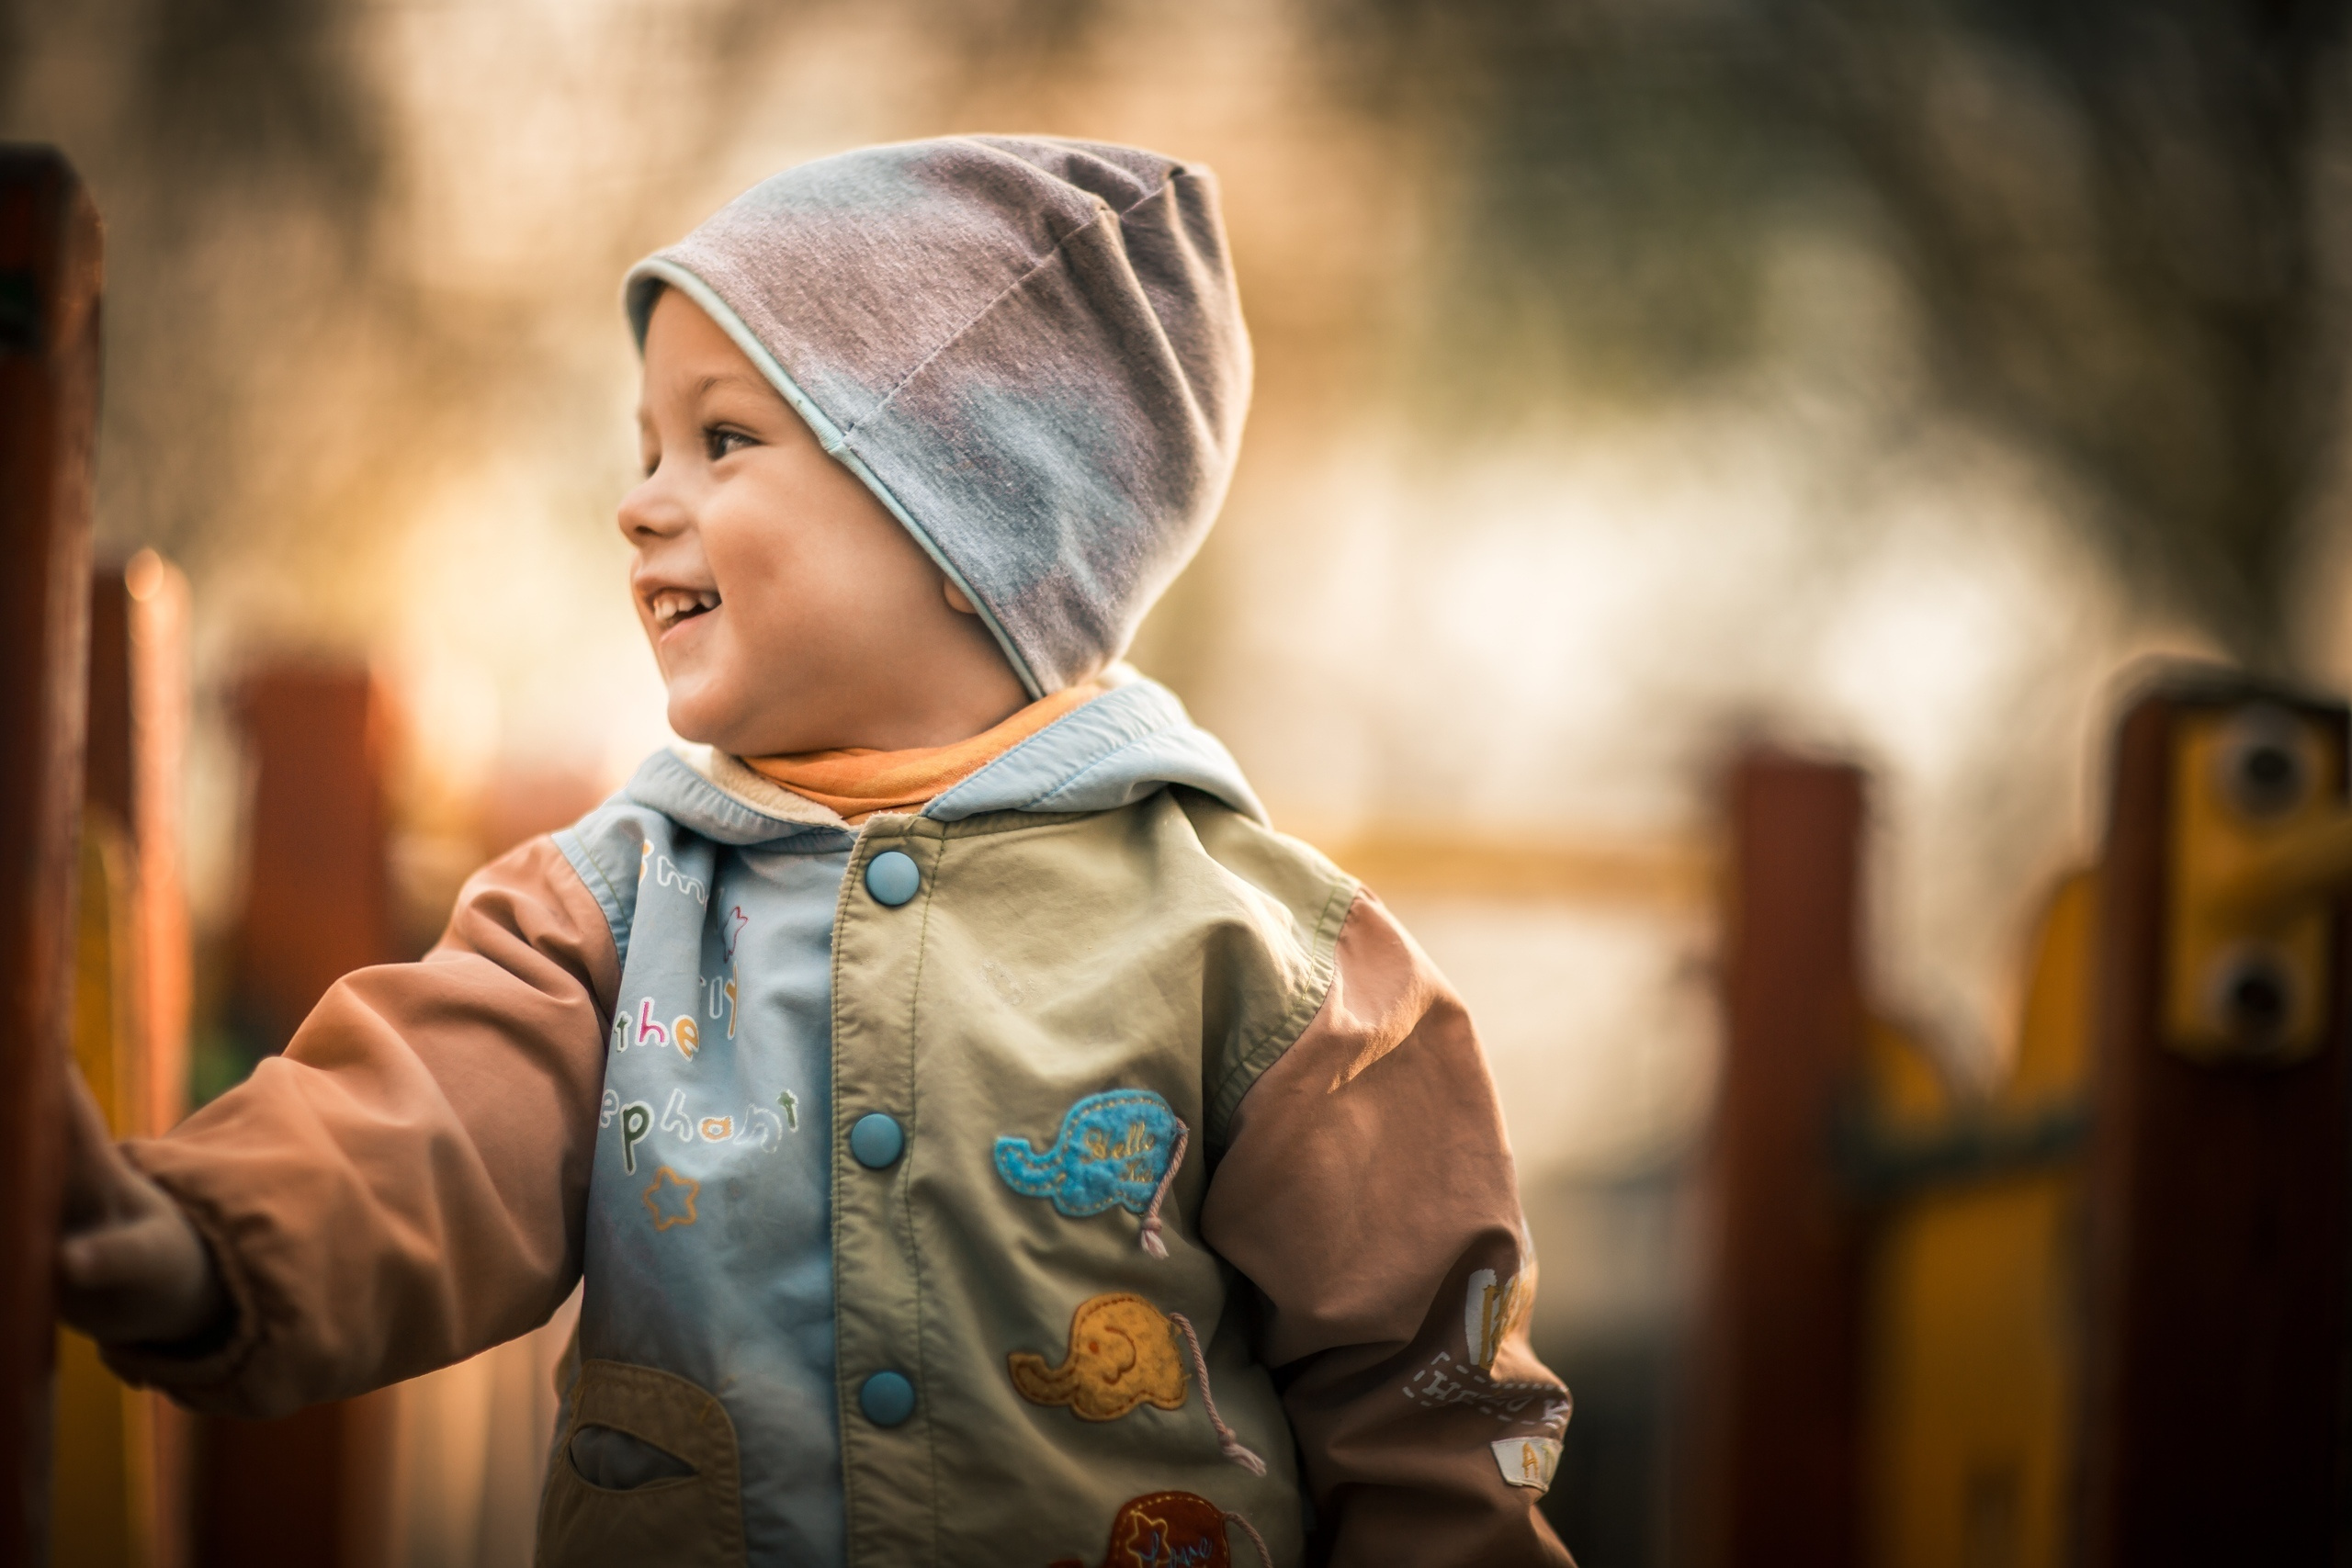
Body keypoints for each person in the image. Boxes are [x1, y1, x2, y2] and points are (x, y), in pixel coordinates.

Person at [54, 136, 1573, 1567]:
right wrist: (199, 1237)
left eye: (722, 438)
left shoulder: (1267, 956)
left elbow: (1424, 1393)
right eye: (647, 445)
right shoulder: (613, 911)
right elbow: (424, 1125)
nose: (641, 502)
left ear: (974, 518)